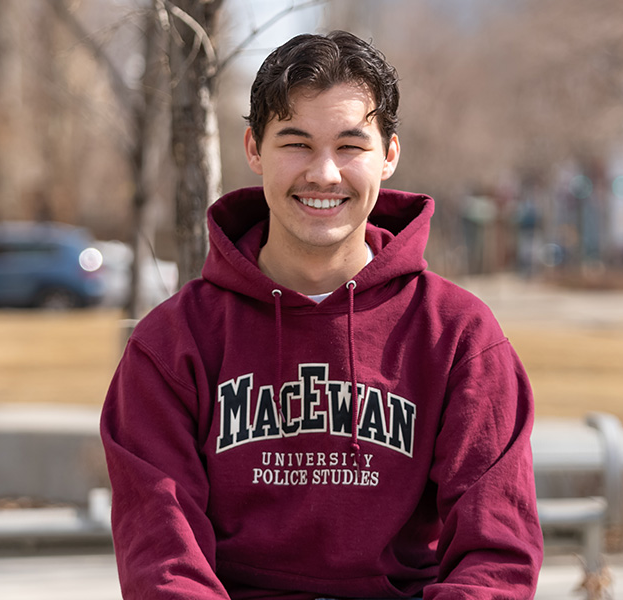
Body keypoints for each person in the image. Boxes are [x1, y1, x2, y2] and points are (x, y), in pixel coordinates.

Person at [101, 30, 543, 599]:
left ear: (389, 156)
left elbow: (495, 555)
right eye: (296, 142)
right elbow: (161, 558)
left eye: (351, 146)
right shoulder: (173, 344)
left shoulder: (458, 337)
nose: (324, 174)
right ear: (254, 150)